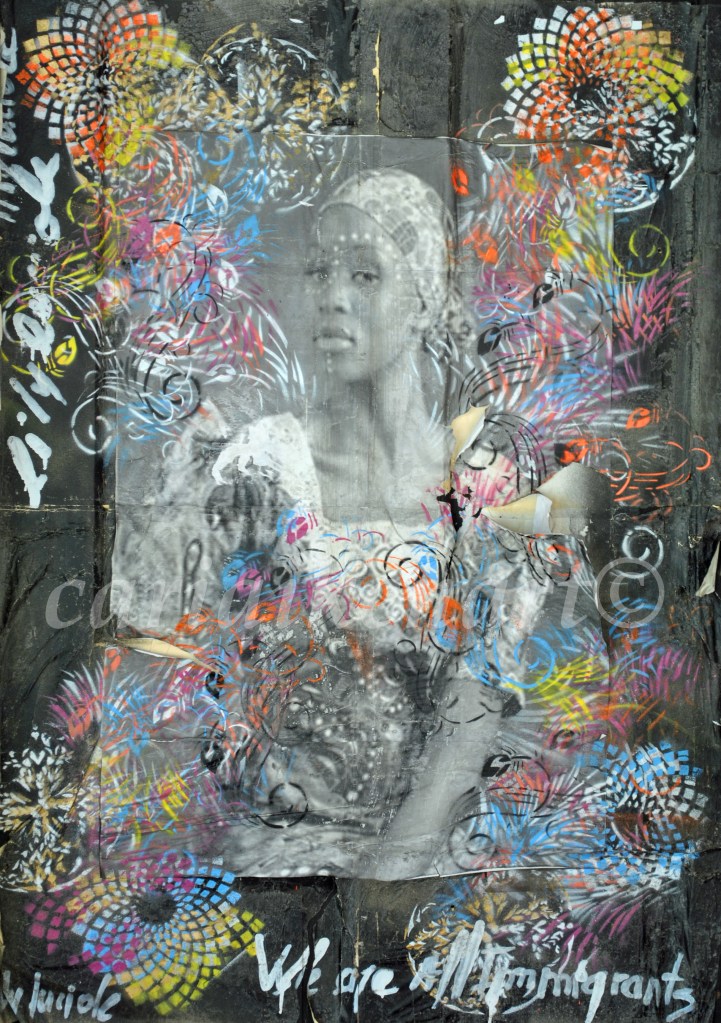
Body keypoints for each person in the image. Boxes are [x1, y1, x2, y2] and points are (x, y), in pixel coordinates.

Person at [197, 168, 549, 880]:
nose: (331, 297)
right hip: (279, 842)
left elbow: (473, 708)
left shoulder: (483, 481)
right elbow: (216, 675)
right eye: (319, 272)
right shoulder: (264, 464)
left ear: (422, 300)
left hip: (428, 848)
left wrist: (388, 878)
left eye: (364, 275)